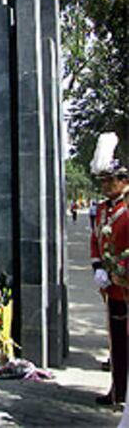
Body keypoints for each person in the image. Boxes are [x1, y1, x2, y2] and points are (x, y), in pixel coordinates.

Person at [91, 165, 128, 405]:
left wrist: (123, 270)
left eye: (110, 180)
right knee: (117, 341)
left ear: (124, 180)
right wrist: (99, 268)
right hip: (114, 288)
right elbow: (96, 239)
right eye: (102, 181)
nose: (105, 185)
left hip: (125, 280)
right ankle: (119, 390)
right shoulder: (103, 209)